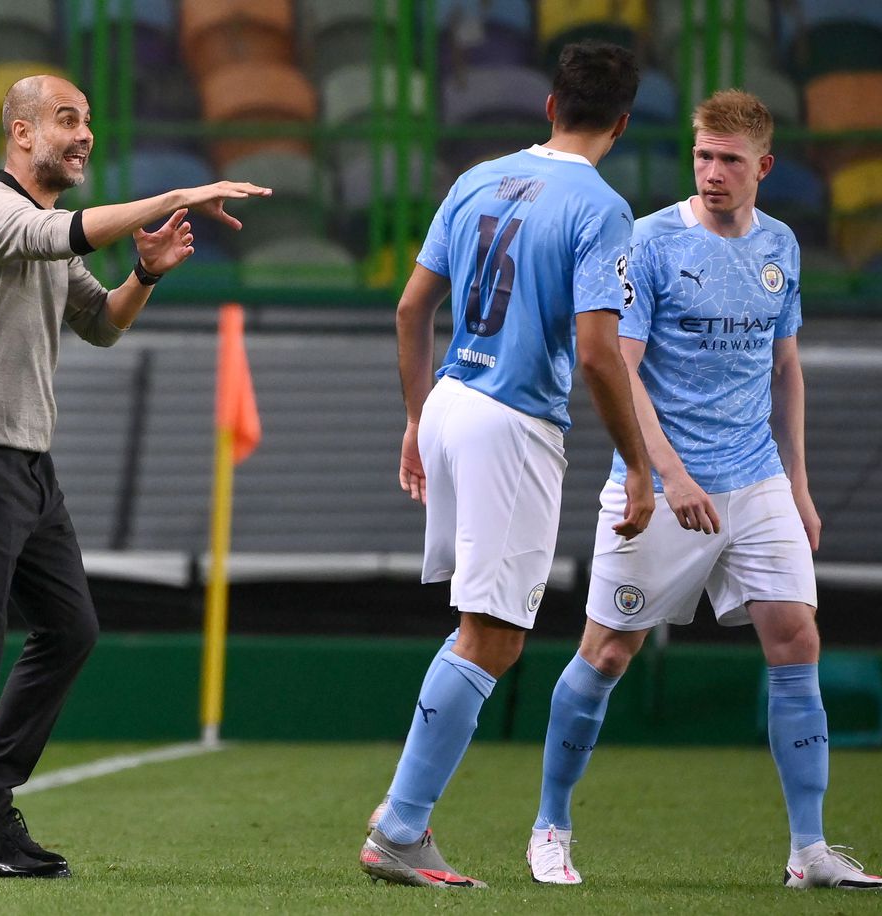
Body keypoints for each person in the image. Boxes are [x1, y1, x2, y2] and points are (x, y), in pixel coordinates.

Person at [528, 90, 882, 891]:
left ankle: (809, 850)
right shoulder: (650, 242)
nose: (713, 171)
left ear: (764, 166)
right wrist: (670, 476)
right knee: (608, 653)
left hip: (756, 478)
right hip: (658, 486)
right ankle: (550, 825)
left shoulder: (782, 247)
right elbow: (621, 369)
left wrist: (799, 485)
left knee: (796, 640)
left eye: (730, 159)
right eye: (703, 156)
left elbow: (786, 367)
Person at [0, 74, 271, 880]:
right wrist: (177, 193)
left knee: (70, 629)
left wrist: (144, 275)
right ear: (21, 135)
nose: (85, 135)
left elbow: (102, 324)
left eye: (88, 122)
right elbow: (69, 238)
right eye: (66, 120)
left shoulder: (41, 226)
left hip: (26, 466)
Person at [359, 41, 654, 889]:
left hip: (452, 400)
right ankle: (402, 828)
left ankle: (400, 816)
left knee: (478, 624)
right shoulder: (603, 208)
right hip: (513, 421)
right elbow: (600, 355)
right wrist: (638, 466)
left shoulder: (476, 178)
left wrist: (416, 417)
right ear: (622, 123)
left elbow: (413, 307)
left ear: (551, 106)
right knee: (494, 633)